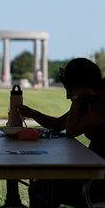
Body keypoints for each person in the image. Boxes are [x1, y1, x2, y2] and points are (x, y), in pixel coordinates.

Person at [17, 58, 105, 208]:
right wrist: (33, 113)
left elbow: (71, 131)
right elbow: (58, 124)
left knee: (49, 192)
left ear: (87, 87)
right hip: (92, 170)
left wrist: (77, 100)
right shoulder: (88, 100)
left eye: (71, 90)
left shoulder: (101, 102)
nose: (68, 96)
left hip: (100, 179)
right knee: (37, 187)